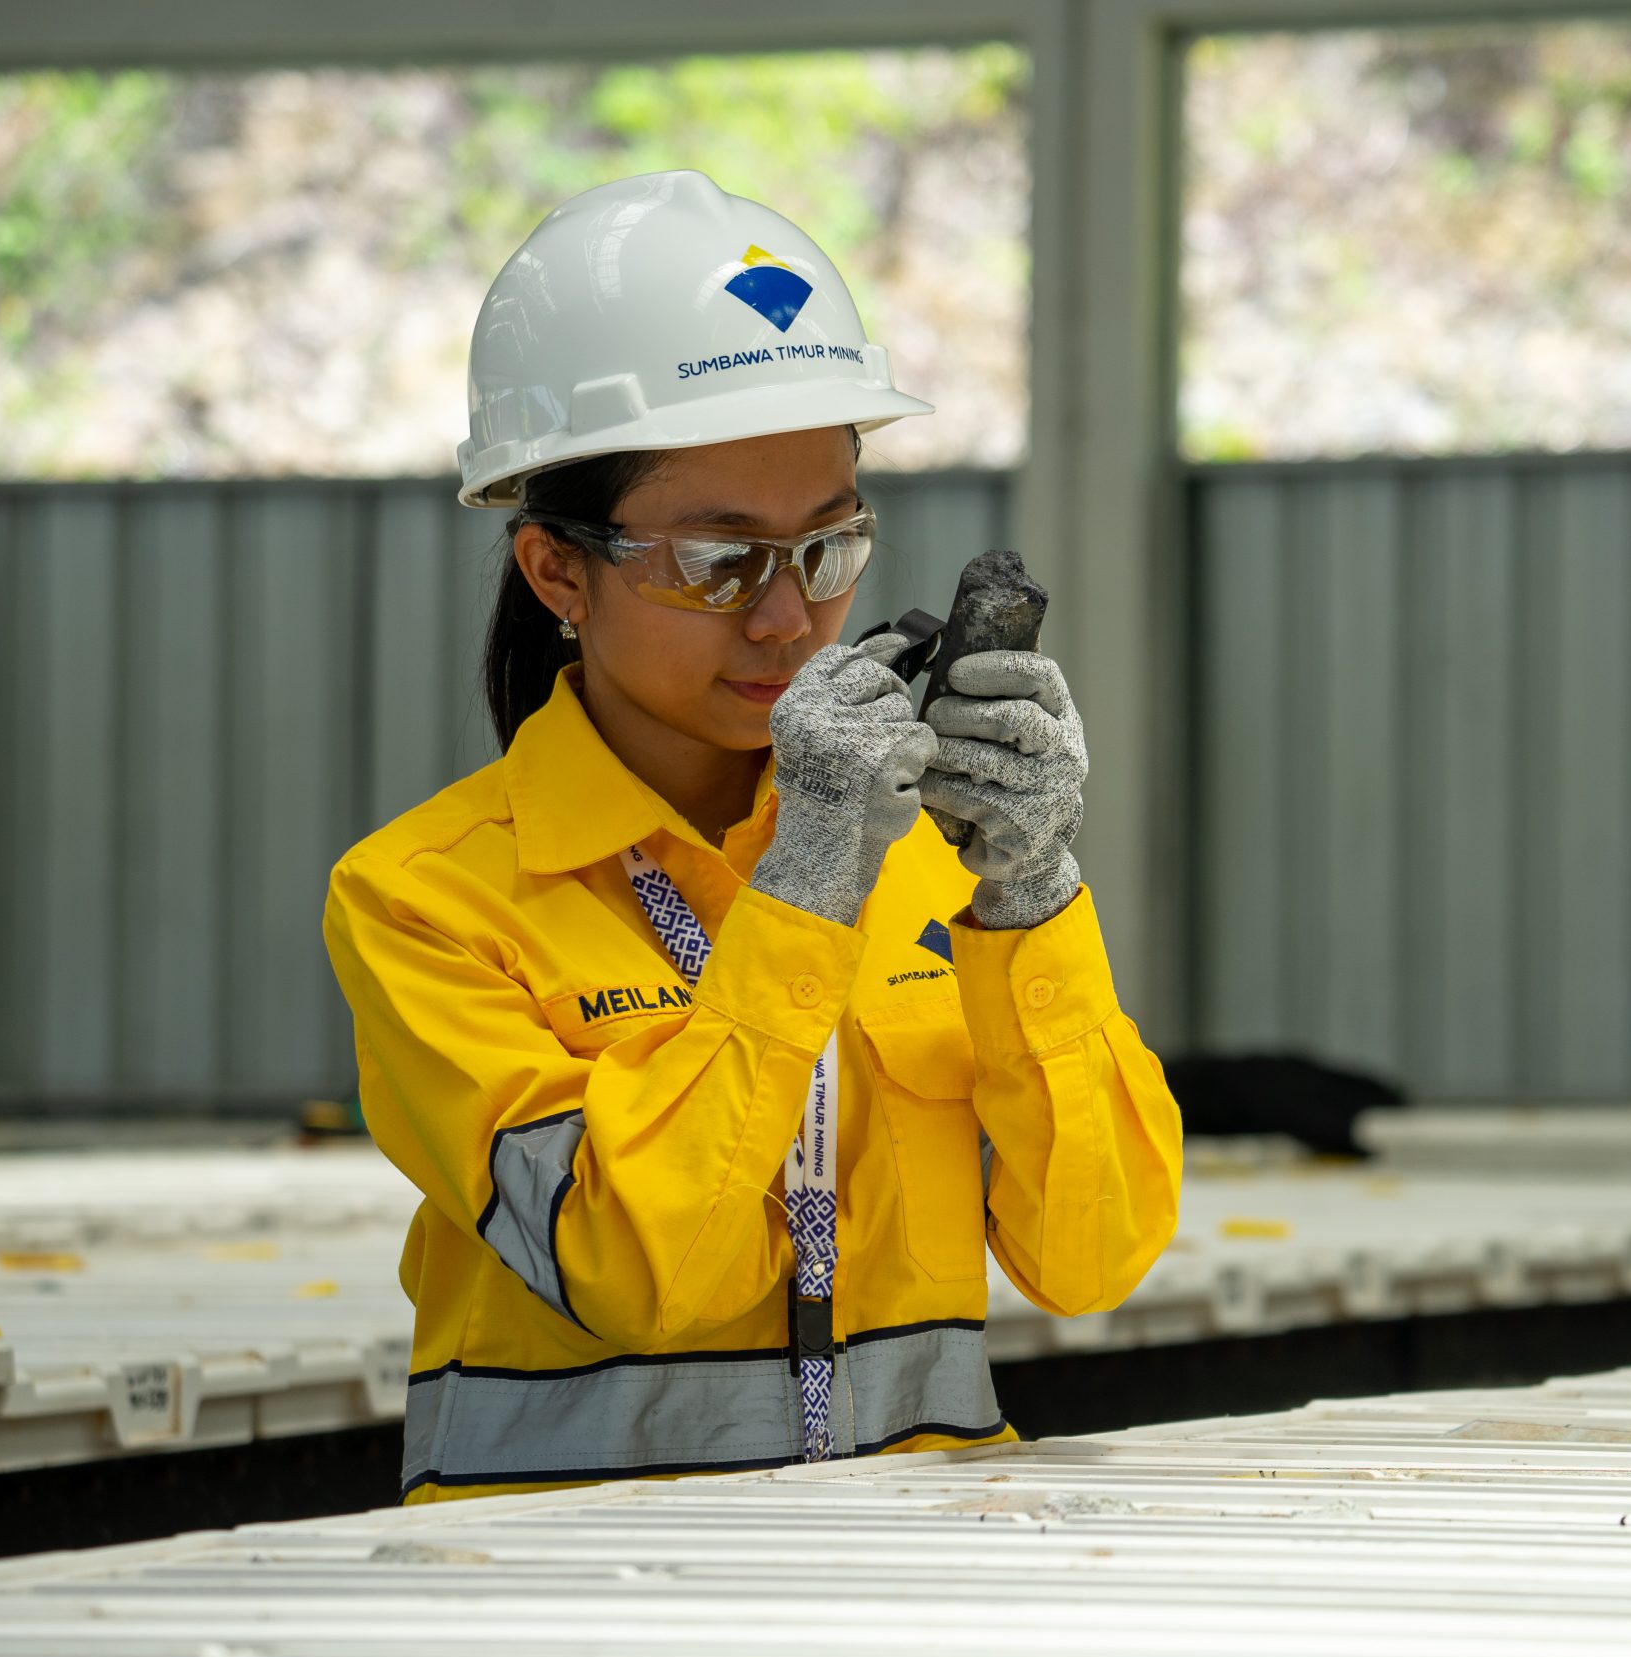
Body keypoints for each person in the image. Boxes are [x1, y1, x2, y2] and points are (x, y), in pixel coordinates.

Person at [322, 170, 1183, 1504]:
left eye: (828, 550)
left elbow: (1097, 1252)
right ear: (557, 569)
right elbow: (641, 1274)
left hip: (908, 1602)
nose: (787, 621)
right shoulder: (426, 902)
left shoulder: (922, 860)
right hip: (557, 1615)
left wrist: (1029, 891)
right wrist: (807, 888)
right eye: (720, 565)